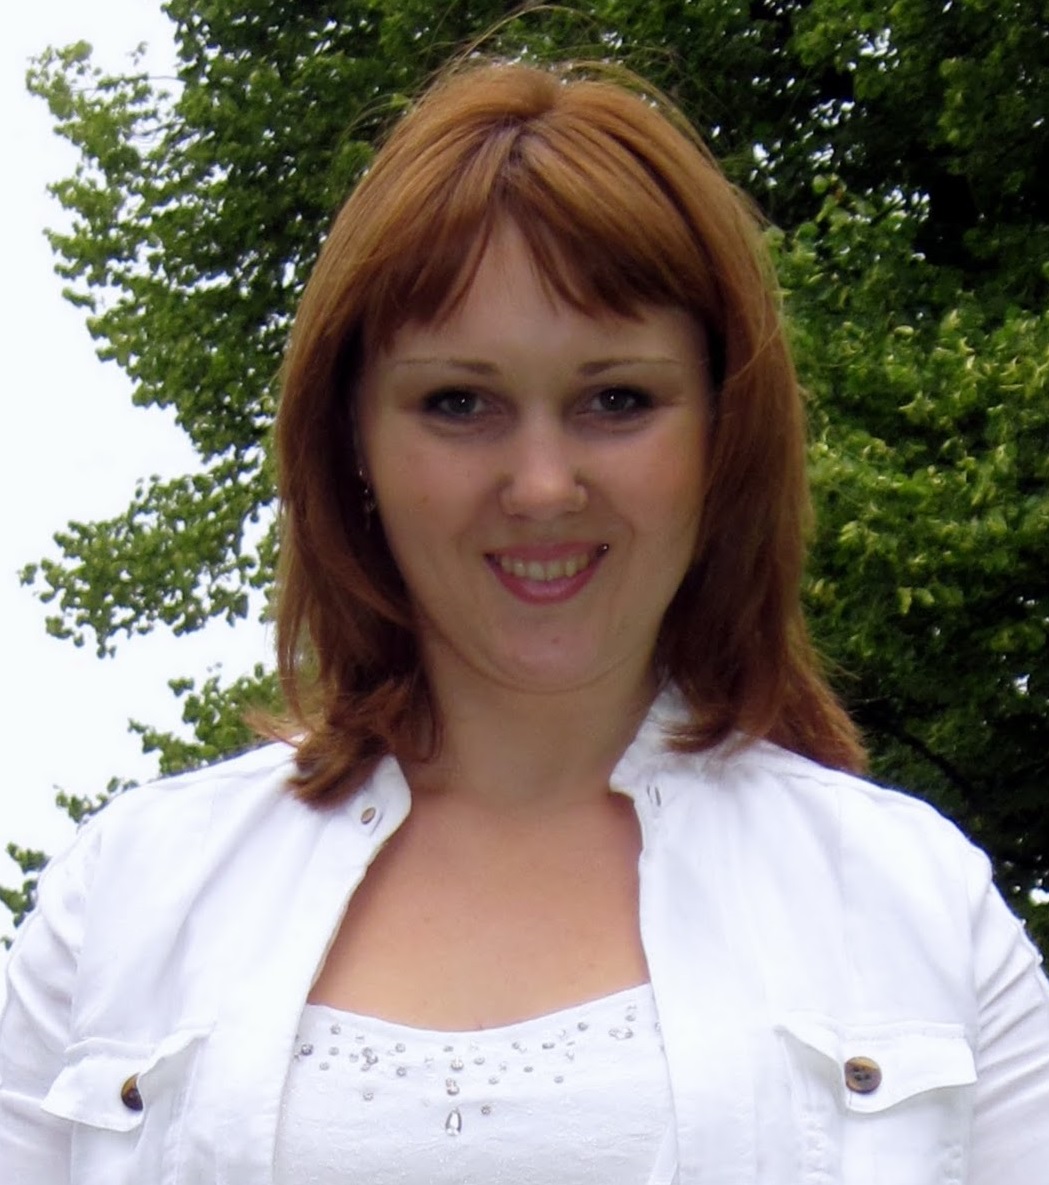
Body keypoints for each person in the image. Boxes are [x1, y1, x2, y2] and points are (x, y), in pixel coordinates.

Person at [2, 59, 1048, 1185]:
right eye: (458, 402)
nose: (542, 484)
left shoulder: (915, 909)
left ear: (722, 434)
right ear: (352, 441)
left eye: (616, 400)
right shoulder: (122, 906)